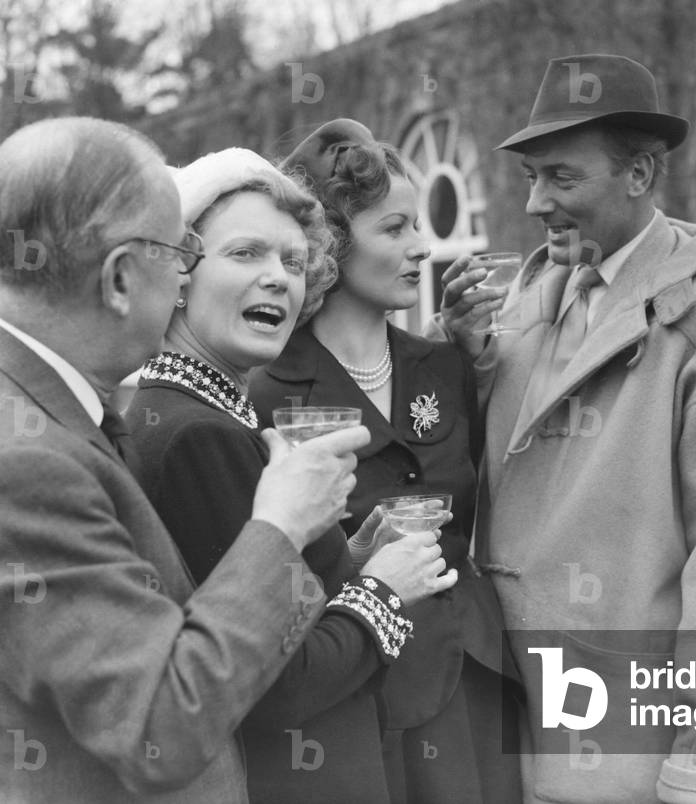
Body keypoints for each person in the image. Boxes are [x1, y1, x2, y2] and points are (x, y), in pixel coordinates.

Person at [433, 54, 696, 803]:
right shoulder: (530, 299)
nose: (537, 202)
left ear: (640, 174)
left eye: (562, 177)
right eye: (532, 177)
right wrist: (468, 368)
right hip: (515, 727)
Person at [0, 117, 375, 802]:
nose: (184, 279)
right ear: (119, 279)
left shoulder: (61, 413)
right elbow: (158, 727)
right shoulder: (27, 462)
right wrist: (282, 529)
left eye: (293, 262)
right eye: (180, 256)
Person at [124, 147, 457, 804]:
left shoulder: (189, 412)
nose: (279, 278)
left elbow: (270, 606)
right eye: (247, 253)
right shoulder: (201, 438)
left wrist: (351, 556)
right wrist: (382, 593)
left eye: (295, 261)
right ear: (180, 273)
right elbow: (275, 685)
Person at [248, 119, 521, 804]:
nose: (420, 248)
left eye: (418, 227)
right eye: (394, 229)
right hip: (360, 701)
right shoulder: (266, 391)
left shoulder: (445, 362)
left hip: (477, 682)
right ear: (333, 246)